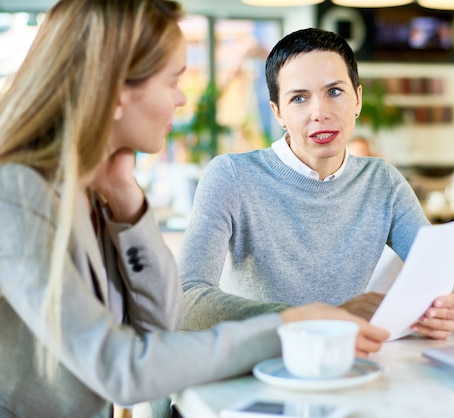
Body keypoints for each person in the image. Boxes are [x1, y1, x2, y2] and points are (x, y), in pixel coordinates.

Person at [0, 3, 388, 417]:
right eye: (172, 81)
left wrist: (127, 203)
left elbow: (162, 324)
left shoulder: (98, 190)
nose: (183, 99)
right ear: (114, 89)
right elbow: (121, 369)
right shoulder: (17, 192)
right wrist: (290, 326)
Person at [179, 27, 454, 341]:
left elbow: (453, 278)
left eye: (334, 92)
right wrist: (314, 319)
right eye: (299, 98)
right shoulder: (231, 176)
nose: (319, 113)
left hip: (349, 365)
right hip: (258, 365)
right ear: (278, 113)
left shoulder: (381, 181)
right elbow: (187, 298)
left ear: (357, 99)